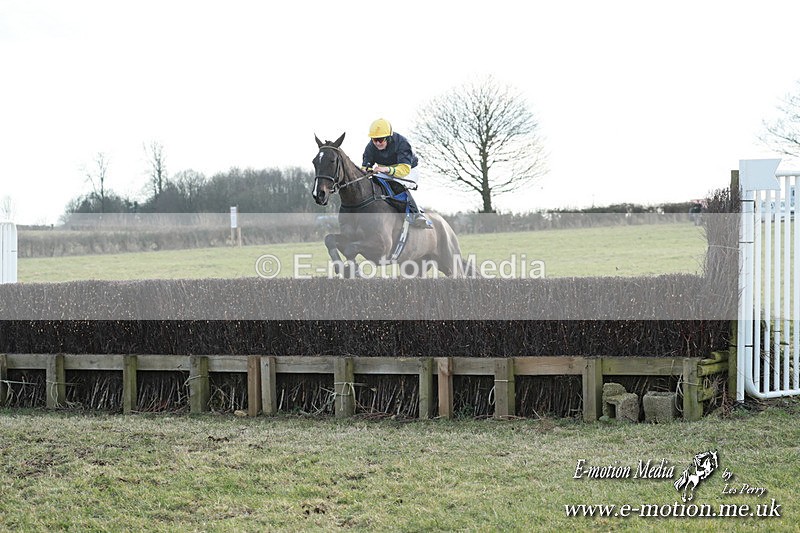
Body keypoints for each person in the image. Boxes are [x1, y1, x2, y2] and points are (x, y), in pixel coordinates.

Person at [362, 118, 432, 228]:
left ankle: (417, 214)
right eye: (374, 140)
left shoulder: (402, 143)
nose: (377, 143)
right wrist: (367, 170)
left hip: (408, 171)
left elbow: (404, 169)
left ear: (388, 137)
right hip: (386, 171)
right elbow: (365, 167)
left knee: (397, 184)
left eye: (380, 140)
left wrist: (386, 169)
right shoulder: (370, 146)